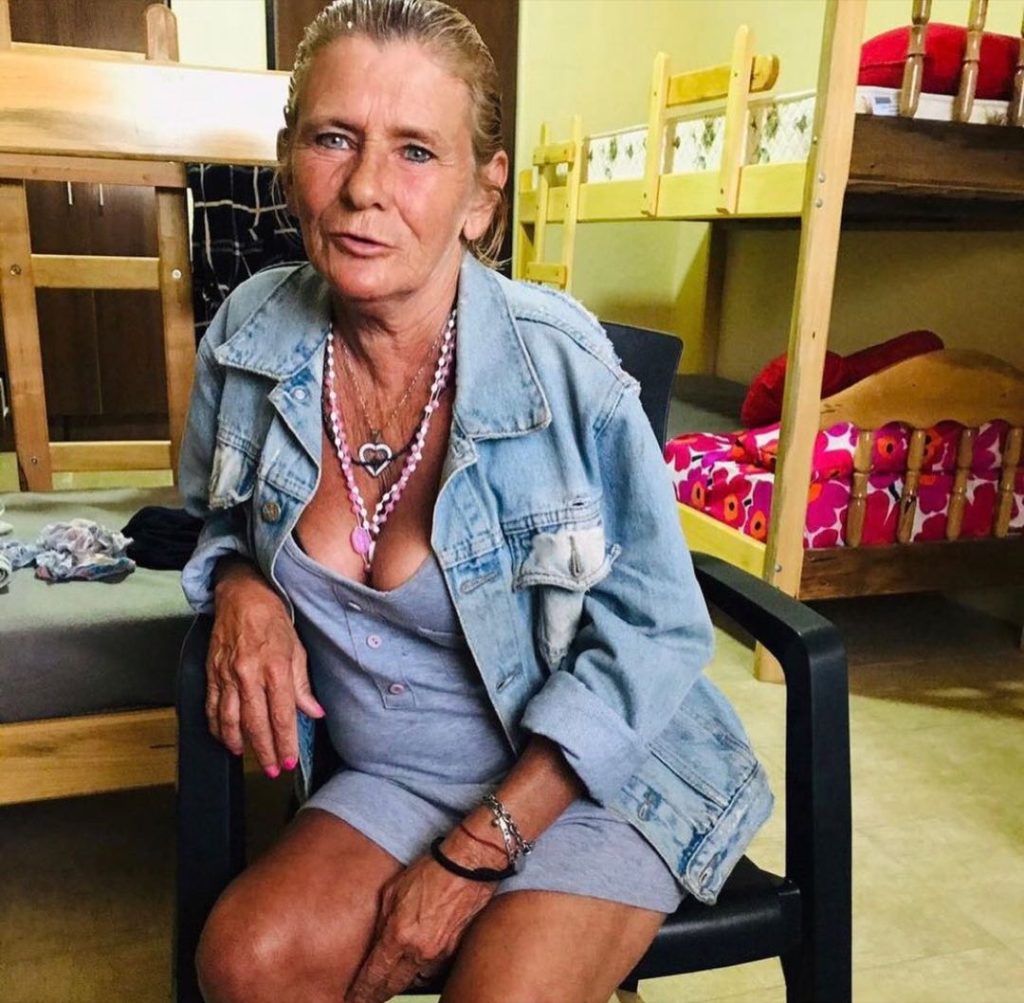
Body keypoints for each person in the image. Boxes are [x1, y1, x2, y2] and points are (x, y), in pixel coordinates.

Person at [179, 2, 773, 1001]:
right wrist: (241, 584)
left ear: (480, 197)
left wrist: (475, 852)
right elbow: (213, 517)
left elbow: (660, 630)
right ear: (288, 163)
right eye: (334, 138)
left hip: (590, 779)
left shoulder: (565, 368)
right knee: (244, 961)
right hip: (394, 774)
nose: (365, 187)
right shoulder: (248, 338)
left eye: (415, 151)